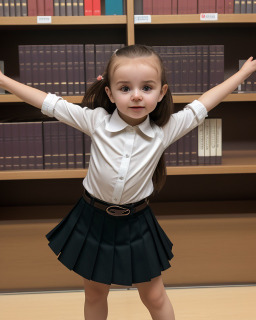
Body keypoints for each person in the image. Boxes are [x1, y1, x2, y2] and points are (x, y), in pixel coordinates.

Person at [0, 44, 256, 320]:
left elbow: (205, 103)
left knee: (154, 295)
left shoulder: (165, 130)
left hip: (137, 221)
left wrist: (243, 73)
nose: (136, 96)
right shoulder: (95, 120)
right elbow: (47, 102)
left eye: (147, 88)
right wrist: (2, 80)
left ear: (162, 92)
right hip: (92, 218)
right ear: (109, 93)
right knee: (95, 293)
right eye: (125, 89)